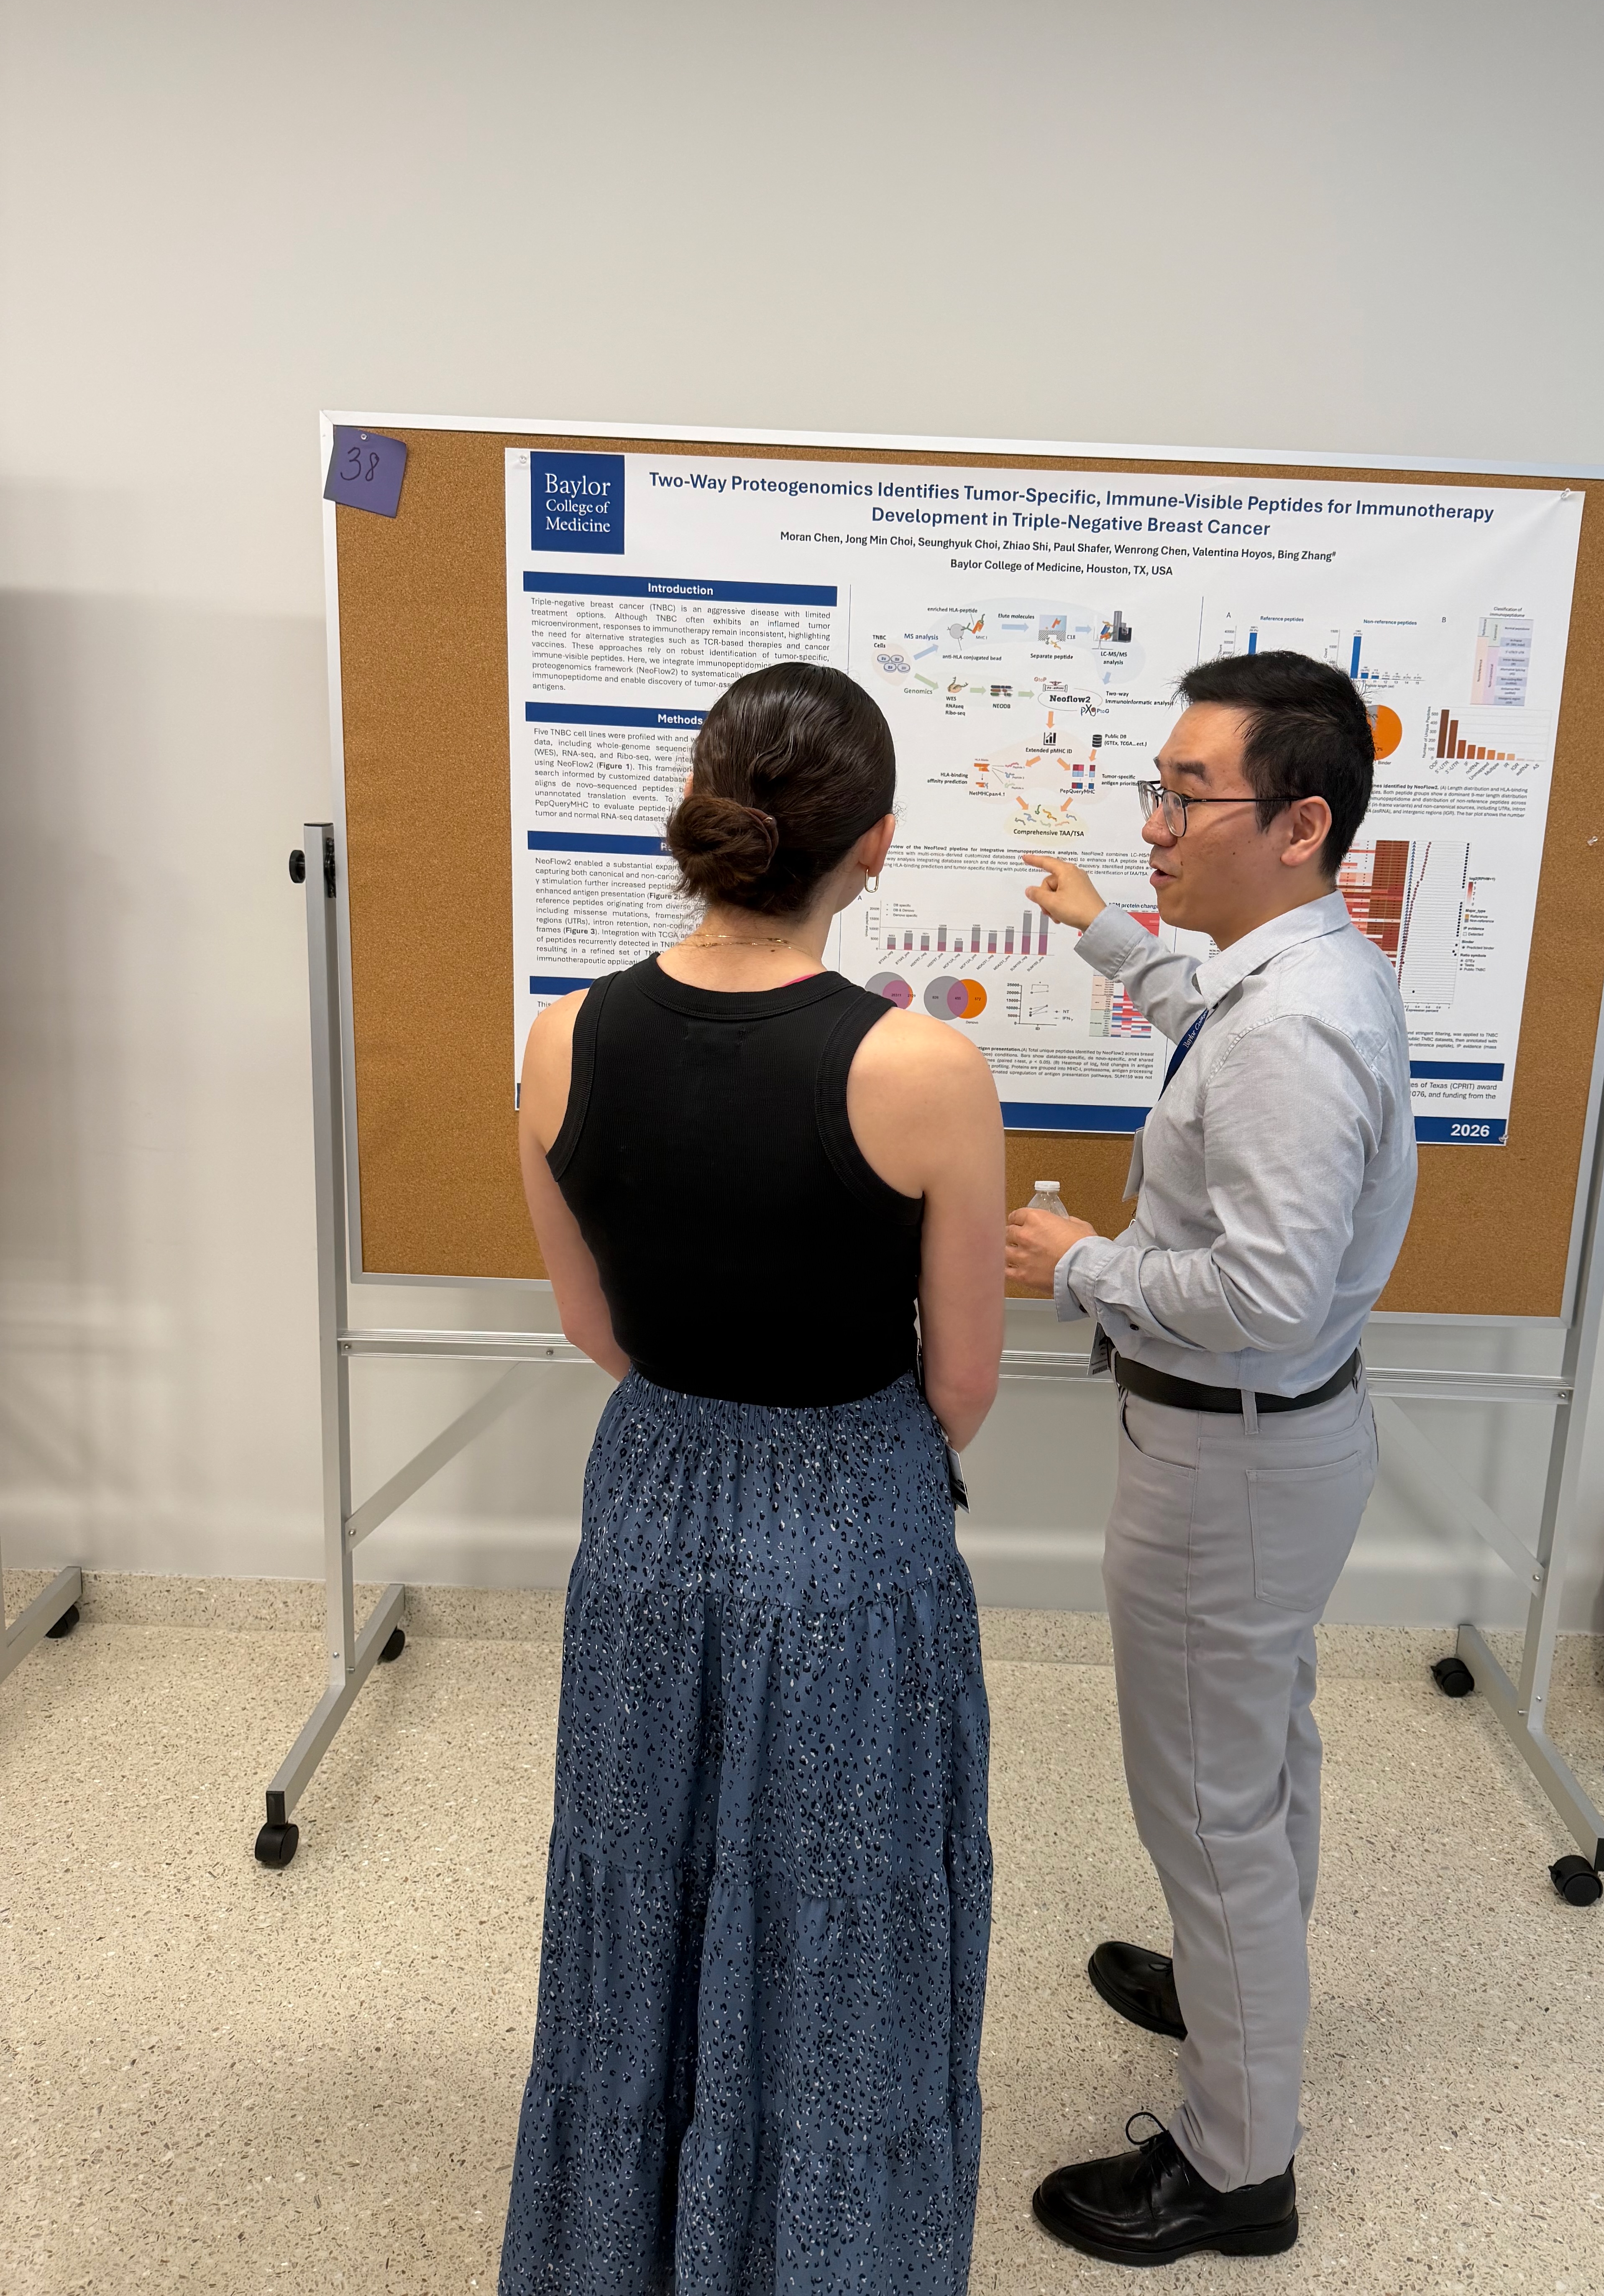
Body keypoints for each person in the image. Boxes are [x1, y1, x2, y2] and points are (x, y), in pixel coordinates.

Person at [499, 662, 1006, 2296]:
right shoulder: (922, 1070)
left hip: (647, 1496)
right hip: (851, 1516)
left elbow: (595, 1327)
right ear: (873, 847)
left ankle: (620, 2254)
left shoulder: (562, 1036)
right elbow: (965, 1386)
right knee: (842, 1914)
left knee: (640, 1891)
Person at [1006, 650, 1416, 2267]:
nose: (1159, 821)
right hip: (1277, 1452)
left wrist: (1073, 1259)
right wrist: (1106, 928)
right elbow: (1209, 1025)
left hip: (1227, 1461)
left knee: (1208, 1803)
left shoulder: (1289, 1030)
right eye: (1158, 788)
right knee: (1256, 1750)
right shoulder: (1298, 969)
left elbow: (1257, 1296)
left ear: (1299, 822)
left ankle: (1237, 2165)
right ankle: (1224, 1974)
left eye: (1190, 795)